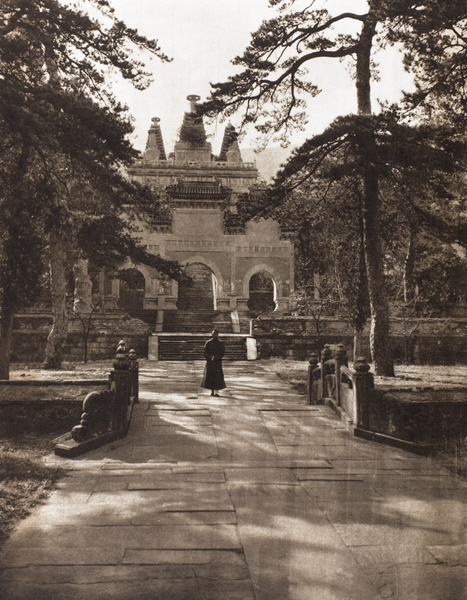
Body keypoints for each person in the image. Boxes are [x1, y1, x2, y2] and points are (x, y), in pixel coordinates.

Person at [201, 329, 226, 396]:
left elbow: (222, 352)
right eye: (213, 334)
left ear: (217, 334)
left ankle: (216, 392)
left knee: (217, 377)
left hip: (217, 363)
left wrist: (216, 357)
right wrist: (210, 357)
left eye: (215, 334)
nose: (214, 335)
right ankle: (212, 391)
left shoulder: (220, 343)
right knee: (210, 376)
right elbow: (205, 352)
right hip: (210, 362)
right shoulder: (208, 342)